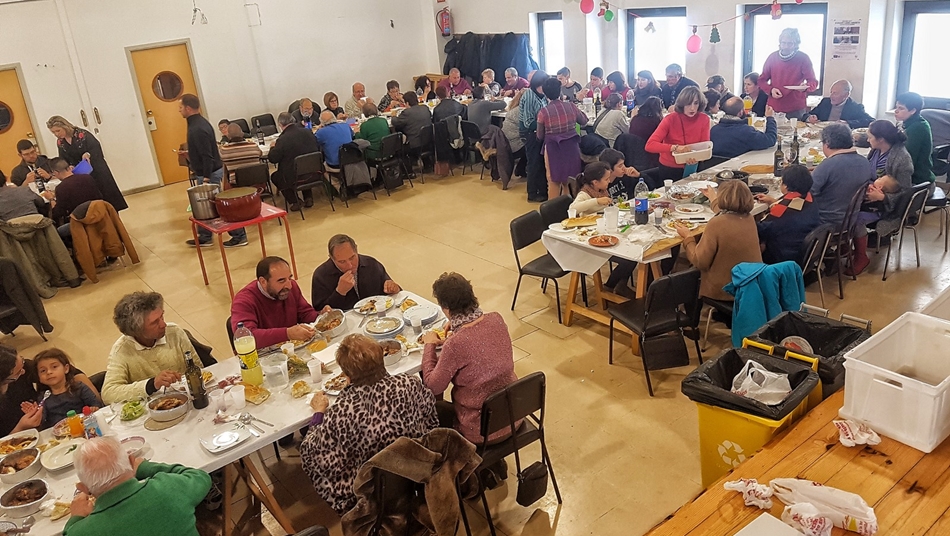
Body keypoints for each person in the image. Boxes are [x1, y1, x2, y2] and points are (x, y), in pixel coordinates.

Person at [301, 334, 438, 515]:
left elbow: (310, 455)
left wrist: (318, 413)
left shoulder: (341, 412)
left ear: (346, 374)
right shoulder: (410, 384)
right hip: (417, 474)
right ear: (382, 359)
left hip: (372, 493)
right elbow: (432, 421)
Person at [422, 272, 517, 444]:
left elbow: (433, 386)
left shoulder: (455, 345)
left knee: (431, 409)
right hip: (513, 416)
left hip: (480, 430)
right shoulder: (496, 319)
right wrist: (457, 329)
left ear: (446, 309)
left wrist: (429, 345)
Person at [63, 436, 211, 536]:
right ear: (131, 460)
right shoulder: (168, 487)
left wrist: (75, 518)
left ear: (84, 488)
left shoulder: (83, 531)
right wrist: (146, 468)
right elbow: (200, 477)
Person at [845, 120, 916, 275]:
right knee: (842, 205)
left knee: (853, 217)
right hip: (869, 196)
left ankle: (861, 257)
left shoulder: (902, 159)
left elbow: (905, 193)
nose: (867, 139)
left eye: (870, 137)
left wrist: (882, 198)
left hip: (886, 207)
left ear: (881, 139)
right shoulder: (877, 150)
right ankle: (846, 246)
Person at [101, 292, 197, 404]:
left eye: (162, 316)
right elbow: (108, 393)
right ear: (137, 330)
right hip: (153, 409)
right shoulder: (121, 351)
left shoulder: (174, 332)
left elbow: (200, 368)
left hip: (188, 400)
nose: (163, 324)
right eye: (155, 322)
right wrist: (151, 384)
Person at [178, 95, 247, 247]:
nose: (179, 110)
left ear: (188, 108)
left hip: (209, 173)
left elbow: (207, 156)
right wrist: (190, 154)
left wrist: (207, 179)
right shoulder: (198, 124)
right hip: (206, 172)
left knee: (218, 206)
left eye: (181, 107)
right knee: (203, 206)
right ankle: (204, 235)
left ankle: (239, 235)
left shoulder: (198, 128)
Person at [676, 180, 762, 301]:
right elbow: (728, 215)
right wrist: (713, 198)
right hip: (750, 284)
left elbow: (699, 261)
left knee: (688, 276)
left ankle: (693, 316)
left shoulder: (716, 224)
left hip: (726, 290)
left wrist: (688, 238)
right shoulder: (749, 219)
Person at [230, 256, 321, 349]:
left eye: (289, 278)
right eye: (281, 281)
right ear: (263, 282)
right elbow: (246, 338)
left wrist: (321, 317)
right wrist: (287, 333)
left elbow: (304, 313)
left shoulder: (291, 287)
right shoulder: (243, 302)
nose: (289, 285)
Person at [46, 115, 128, 212]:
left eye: (58, 131)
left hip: (96, 170)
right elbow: (63, 159)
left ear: (65, 126)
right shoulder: (61, 142)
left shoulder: (83, 135)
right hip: (80, 174)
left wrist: (88, 154)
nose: (56, 134)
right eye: (53, 132)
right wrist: (69, 166)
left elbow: (96, 149)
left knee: (107, 197)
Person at [810, 123, 877, 227]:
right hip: (850, 221)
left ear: (827, 143)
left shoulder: (828, 165)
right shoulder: (864, 162)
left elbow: (807, 192)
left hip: (824, 223)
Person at [311, 234, 401, 310]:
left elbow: (392, 293)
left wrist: (394, 288)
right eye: (342, 262)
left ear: (356, 250)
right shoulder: (321, 276)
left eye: (352, 258)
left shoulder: (371, 264)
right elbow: (319, 313)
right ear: (331, 258)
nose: (350, 265)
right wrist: (340, 292)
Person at [754, 165, 820, 265]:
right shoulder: (809, 198)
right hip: (804, 252)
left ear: (785, 186)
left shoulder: (781, 211)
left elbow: (759, 230)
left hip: (783, 257)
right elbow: (793, 211)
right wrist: (774, 202)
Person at [22, 348, 101, 429]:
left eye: (54, 367)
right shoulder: (43, 398)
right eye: (43, 371)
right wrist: (34, 414)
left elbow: (96, 404)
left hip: (86, 427)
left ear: (66, 368)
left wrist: (93, 408)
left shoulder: (79, 387)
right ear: (39, 378)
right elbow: (41, 422)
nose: (49, 372)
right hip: (60, 435)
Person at [646, 86, 711, 183]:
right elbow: (650, 145)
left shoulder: (704, 119)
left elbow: (704, 146)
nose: (692, 108)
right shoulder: (670, 119)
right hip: (670, 168)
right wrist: (674, 148)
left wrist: (697, 157)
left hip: (695, 165)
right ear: (682, 104)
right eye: (688, 104)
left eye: (696, 103)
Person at [538, 77, 588, 201]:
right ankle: (572, 209)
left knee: (553, 181)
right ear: (560, 91)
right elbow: (584, 121)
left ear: (545, 93)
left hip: (553, 149)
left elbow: (539, 136)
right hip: (571, 147)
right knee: (570, 181)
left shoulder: (543, 112)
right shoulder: (571, 106)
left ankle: (553, 213)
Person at [758, 28, 818, 120]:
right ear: (780, 43)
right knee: (772, 132)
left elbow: (813, 82)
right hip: (774, 106)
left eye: (790, 43)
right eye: (783, 43)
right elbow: (761, 80)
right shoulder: (772, 57)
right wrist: (770, 90)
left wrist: (806, 87)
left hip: (795, 108)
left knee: (796, 133)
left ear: (796, 44)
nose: (786, 46)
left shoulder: (803, 58)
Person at [268, 111, 321, 210]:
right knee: (305, 165)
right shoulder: (308, 132)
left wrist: (272, 147)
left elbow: (273, 159)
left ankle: (295, 201)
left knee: (276, 176)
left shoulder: (282, 139)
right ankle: (308, 197)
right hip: (315, 173)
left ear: (280, 124)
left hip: (294, 178)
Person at [47, 157, 102, 244]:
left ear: (56, 173)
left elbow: (58, 213)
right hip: (99, 215)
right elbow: (99, 197)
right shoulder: (88, 177)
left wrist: (51, 199)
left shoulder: (61, 188)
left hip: (81, 222)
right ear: (69, 168)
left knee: (58, 232)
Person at [710, 98, 778, 158]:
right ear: (740, 112)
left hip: (714, 169)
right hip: (738, 168)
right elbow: (770, 139)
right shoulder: (745, 131)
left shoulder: (714, 130)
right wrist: (770, 118)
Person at [895, 92, 935, 185]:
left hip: (918, 180)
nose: (896, 111)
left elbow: (907, 158)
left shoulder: (918, 127)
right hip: (909, 174)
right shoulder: (906, 123)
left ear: (913, 110)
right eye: (896, 107)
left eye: (901, 108)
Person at [522, 71, 549, 202]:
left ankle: (543, 190)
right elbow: (528, 122)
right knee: (534, 163)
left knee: (542, 163)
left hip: (540, 132)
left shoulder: (542, 96)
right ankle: (532, 193)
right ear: (539, 84)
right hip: (530, 134)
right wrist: (545, 124)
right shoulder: (529, 96)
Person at [804, 80, 874, 128]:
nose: (831, 96)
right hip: (821, 134)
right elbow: (806, 115)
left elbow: (871, 121)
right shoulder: (825, 102)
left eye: (835, 93)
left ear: (846, 95)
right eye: (831, 92)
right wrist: (809, 118)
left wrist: (847, 123)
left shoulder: (855, 107)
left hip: (841, 137)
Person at [502, 89, 527, 179]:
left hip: (505, 144)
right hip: (514, 146)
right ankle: (521, 169)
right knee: (534, 145)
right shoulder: (523, 112)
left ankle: (521, 168)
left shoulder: (513, 109)